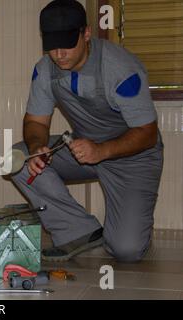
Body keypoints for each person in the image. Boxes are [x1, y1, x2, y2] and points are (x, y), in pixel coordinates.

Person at [11, 0, 164, 263]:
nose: (59, 54)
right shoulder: (45, 70)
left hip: (133, 158)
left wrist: (102, 150)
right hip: (82, 150)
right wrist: (37, 147)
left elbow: (147, 133)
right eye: (52, 45)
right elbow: (36, 123)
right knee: (18, 159)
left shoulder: (120, 69)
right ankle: (79, 232)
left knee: (126, 251)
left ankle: (132, 229)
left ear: (87, 33)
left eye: (67, 43)